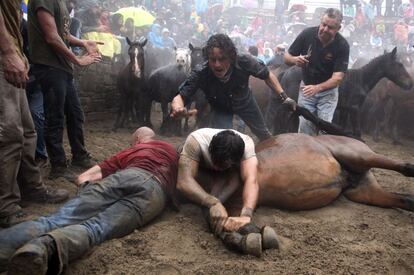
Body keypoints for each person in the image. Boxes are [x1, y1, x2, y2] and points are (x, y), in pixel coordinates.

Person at [0, 127, 179, 274]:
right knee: (95, 229)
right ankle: (42, 249)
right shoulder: (172, 151)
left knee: (55, 220)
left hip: (126, 175)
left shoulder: (131, 151)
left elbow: (83, 178)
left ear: (138, 140)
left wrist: (87, 194)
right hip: (155, 193)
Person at [0, 1, 69, 228]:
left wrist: (18, 51)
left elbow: (12, 20)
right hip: (4, 60)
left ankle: (31, 188)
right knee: (10, 134)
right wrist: (8, 51)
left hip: (14, 59)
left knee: (28, 132)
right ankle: (6, 207)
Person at [28, 0, 103, 180]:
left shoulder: (61, 3)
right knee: (55, 117)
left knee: (75, 114)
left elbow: (63, 34)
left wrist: (83, 42)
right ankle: (58, 165)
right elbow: (52, 37)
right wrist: (77, 60)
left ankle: (79, 156)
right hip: (49, 66)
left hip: (62, 67)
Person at [171, 33, 297, 141]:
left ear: (231, 56)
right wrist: (178, 108)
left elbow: (267, 75)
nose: (217, 64)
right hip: (221, 108)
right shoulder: (201, 72)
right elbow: (180, 96)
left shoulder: (244, 61)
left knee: (264, 135)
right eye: (212, 60)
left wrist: (284, 97)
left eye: (222, 59)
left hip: (246, 103)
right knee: (223, 141)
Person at [177, 128, 277, 257]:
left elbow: (251, 180)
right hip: (200, 167)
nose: (218, 166)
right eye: (216, 161)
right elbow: (184, 182)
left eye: (222, 164)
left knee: (236, 181)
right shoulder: (195, 141)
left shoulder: (247, 145)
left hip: (228, 174)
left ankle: (248, 230)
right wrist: (213, 203)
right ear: (211, 149)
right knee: (209, 206)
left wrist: (246, 215)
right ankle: (235, 240)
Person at [284, 8, 350, 135]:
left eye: (330, 27)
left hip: (328, 93)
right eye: (323, 24)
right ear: (320, 22)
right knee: (304, 128)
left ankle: (322, 154)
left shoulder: (342, 45)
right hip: (306, 90)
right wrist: (294, 60)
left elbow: (338, 78)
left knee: (324, 129)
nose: (325, 29)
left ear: (338, 28)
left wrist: (317, 88)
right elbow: (286, 57)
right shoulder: (307, 34)